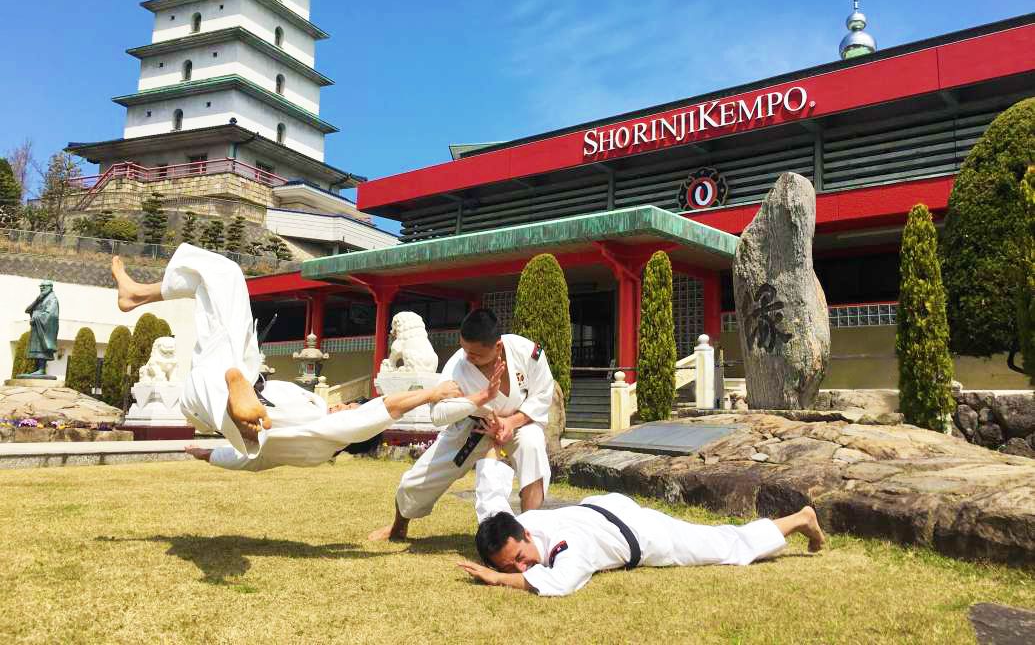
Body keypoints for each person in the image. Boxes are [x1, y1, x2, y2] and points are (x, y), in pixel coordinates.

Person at [111, 243, 460, 472]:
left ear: (358, 429)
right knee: (225, 276)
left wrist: (433, 393)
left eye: (353, 408)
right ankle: (137, 294)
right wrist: (208, 455)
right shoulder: (315, 428)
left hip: (218, 398)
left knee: (229, 385)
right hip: (236, 378)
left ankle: (238, 395)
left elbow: (387, 407)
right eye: (350, 406)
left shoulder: (334, 435)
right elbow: (253, 462)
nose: (345, 406)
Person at [458, 455, 826, 596]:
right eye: (511, 566)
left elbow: (563, 581)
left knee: (724, 545)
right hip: (603, 510)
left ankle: (800, 518)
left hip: (640, 534)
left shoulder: (566, 546)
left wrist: (501, 578)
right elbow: (490, 506)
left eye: (521, 558)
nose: (524, 566)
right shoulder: (515, 526)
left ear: (524, 536)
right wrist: (492, 452)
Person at [369, 308, 554, 541]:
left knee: (533, 446)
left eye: (475, 353)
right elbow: (438, 413)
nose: (467, 356)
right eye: (464, 348)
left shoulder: (527, 352)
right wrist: (480, 398)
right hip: (472, 428)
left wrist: (510, 422)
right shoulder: (458, 365)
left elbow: (541, 395)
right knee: (415, 481)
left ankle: (531, 530)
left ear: (497, 346)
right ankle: (398, 526)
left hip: (518, 423)